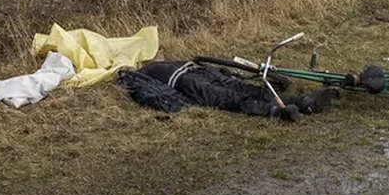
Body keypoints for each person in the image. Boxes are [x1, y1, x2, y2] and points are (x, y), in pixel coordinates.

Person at [117, 59, 343, 122]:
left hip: (197, 75)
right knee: (235, 94)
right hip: (194, 78)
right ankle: (284, 108)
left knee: (240, 91)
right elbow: (151, 94)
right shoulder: (142, 73)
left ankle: (300, 104)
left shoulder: (145, 69)